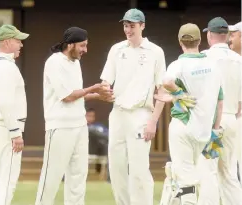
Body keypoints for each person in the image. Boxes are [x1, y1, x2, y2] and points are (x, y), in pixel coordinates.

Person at [35, 27, 113, 205]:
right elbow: (68, 96)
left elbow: (78, 94)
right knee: (52, 176)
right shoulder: (54, 62)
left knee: (78, 176)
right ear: (70, 44)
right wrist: (93, 88)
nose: (85, 50)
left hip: (80, 126)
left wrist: (99, 96)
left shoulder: (75, 63)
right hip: (60, 127)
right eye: (82, 45)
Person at [100, 8, 166, 205]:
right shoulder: (117, 49)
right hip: (118, 113)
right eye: (126, 26)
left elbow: (162, 90)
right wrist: (105, 90)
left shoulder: (155, 52)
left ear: (142, 26)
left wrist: (153, 122)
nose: (128, 30)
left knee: (139, 169)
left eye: (132, 26)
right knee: (116, 167)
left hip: (141, 114)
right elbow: (106, 81)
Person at [157, 23, 223, 205]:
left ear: (180, 42)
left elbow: (167, 82)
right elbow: (220, 100)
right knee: (189, 174)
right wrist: (215, 131)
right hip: (203, 131)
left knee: (186, 180)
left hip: (183, 127)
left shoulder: (178, 64)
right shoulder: (213, 65)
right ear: (200, 41)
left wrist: (179, 93)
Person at [0, 24, 29, 205]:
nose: (21, 45)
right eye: (18, 41)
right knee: (7, 179)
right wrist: (15, 132)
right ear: (7, 42)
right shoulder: (6, 67)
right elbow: (5, 102)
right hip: (5, 127)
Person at [201, 17, 242, 204]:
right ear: (226, 36)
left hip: (212, 123)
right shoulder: (238, 60)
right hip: (232, 118)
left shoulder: (204, 57)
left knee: (209, 170)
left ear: (209, 35)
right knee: (230, 173)